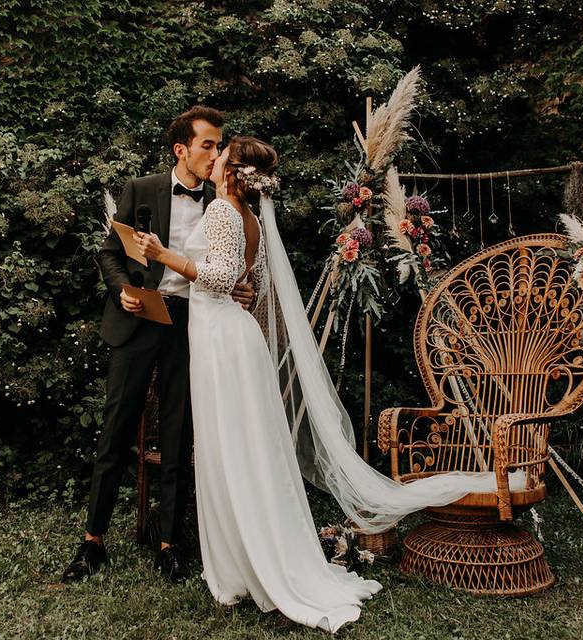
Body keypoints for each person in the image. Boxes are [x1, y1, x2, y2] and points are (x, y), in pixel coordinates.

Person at [136, 135, 499, 632]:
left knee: (230, 451)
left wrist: (161, 253)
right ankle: (252, 556)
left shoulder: (222, 210)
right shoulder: (249, 219)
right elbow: (251, 284)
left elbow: (219, 277)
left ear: (233, 169)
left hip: (221, 342)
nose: (215, 156)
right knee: (246, 452)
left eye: (222, 153)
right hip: (234, 338)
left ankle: (242, 568)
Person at [61, 106, 255, 583]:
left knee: (179, 436)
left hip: (193, 325)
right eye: (207, 145)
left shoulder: (223, 199)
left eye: (218, 145)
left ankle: (170, 544)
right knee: (115, 431)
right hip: (139, 319)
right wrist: (121, 288)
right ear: (180, 149)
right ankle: (92, 542)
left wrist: (238, 287)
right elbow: (109, 252)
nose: (215, 154)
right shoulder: (141, 189)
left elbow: (226, 268)